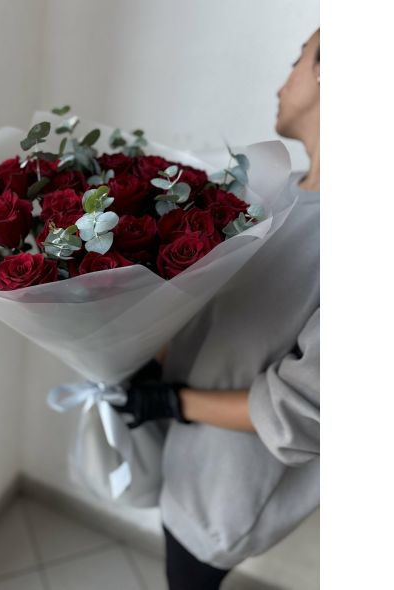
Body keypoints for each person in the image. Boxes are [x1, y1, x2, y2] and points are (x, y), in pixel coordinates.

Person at [112, 28, 320, 590]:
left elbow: (307, 411)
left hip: (230, 483)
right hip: (183, 445)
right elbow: (215, 310)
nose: (283, 83)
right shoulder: (277, 192)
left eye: (297, 61)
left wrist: (171, 400)